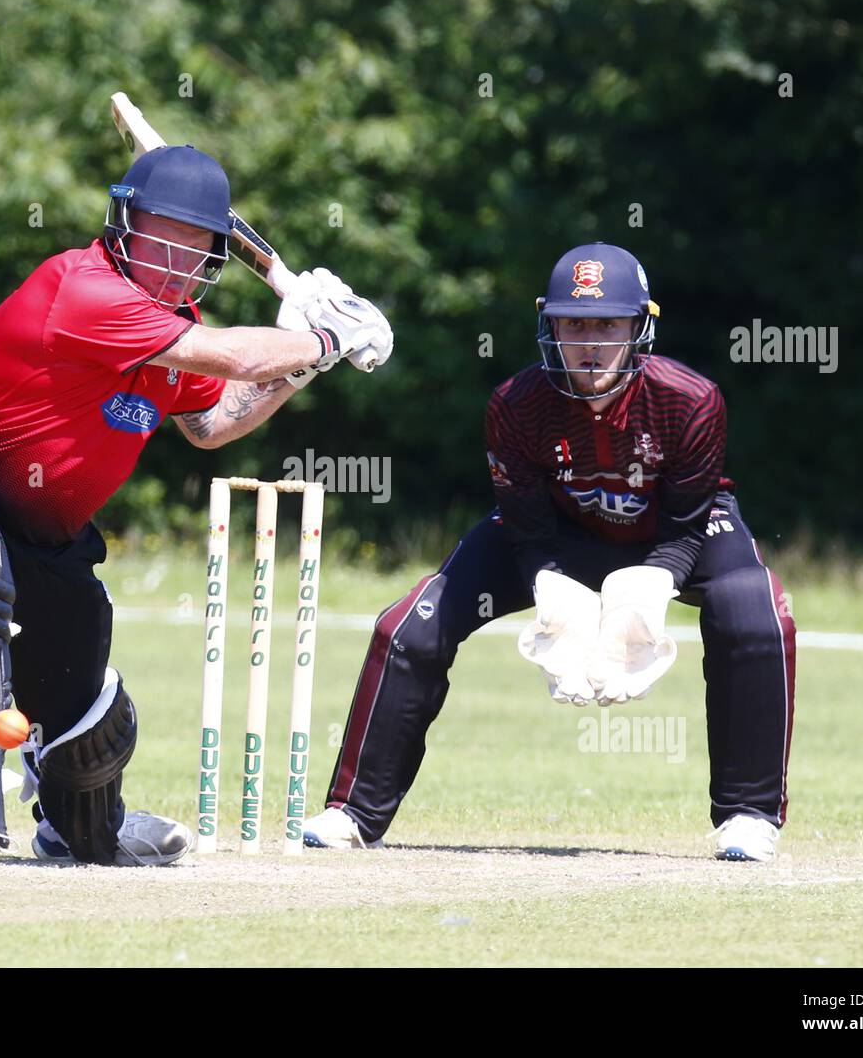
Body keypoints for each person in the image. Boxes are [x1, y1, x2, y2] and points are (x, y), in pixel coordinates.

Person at [0, 144, 392, 873]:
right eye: (159, 234)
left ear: (213, 252)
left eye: (193, 242)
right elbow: (232, 357)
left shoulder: (175, 329)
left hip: (44, 540)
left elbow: (214, 422)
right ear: (124, 225)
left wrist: (303, 361)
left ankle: (82, 827)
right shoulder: (81, 289)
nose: (172, 257)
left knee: (85, 693)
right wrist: (327, 333)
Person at [304, 242, 794, 862]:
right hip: (557, 532)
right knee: (412, 624)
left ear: (640, 326)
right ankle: (353, 813)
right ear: (550, 326)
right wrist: (550, 583)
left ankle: (749, 816)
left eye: (608, 324)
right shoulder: (515, 405)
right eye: (574, 323)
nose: (590, 342)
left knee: (758, 612)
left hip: (675, 533)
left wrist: (654, 583)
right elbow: (525, 526)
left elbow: (687, 518)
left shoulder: (691, 400)